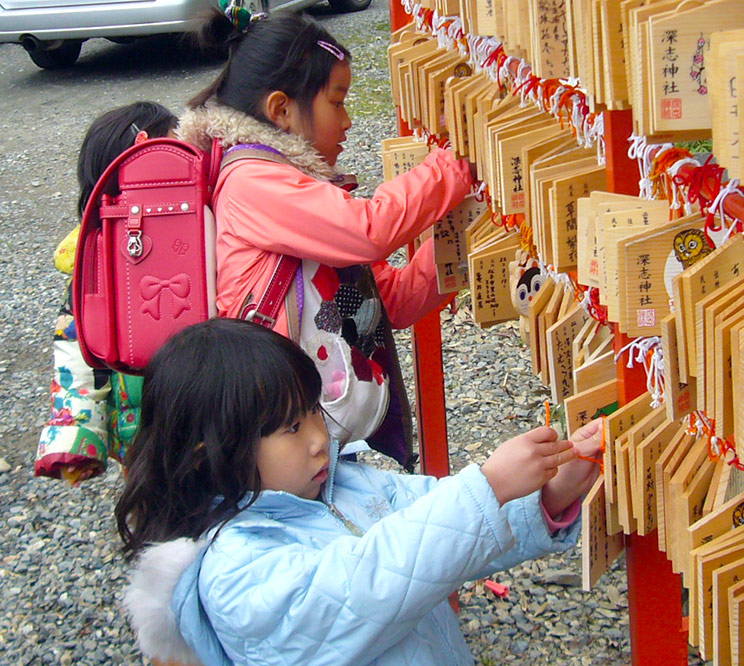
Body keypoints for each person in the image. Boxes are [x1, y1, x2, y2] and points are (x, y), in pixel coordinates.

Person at [116, 318, 603, 665]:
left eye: (311, 410)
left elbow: (448, 528)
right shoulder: (235, 572)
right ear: (212, 454)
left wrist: (550, 492)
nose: (316, 438)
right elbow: (365, 585)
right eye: (290, 427)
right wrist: (490, 485)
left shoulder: (344, 485)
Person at [176, 10, 475, 470]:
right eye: (337, 103)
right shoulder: (252, 181)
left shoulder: (295, 189)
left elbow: (387, 302)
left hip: (308, 423)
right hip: (272, 432)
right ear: (281, 110)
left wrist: (467, 243)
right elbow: (369, 229)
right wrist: (455, 165)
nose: (349, 121)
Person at [37, 102, 179, 484]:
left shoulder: (197, 242)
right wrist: (76, 436)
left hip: (208, 407)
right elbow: (76, 350)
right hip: (139, 428)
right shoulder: (96, 265)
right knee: (153, 509)